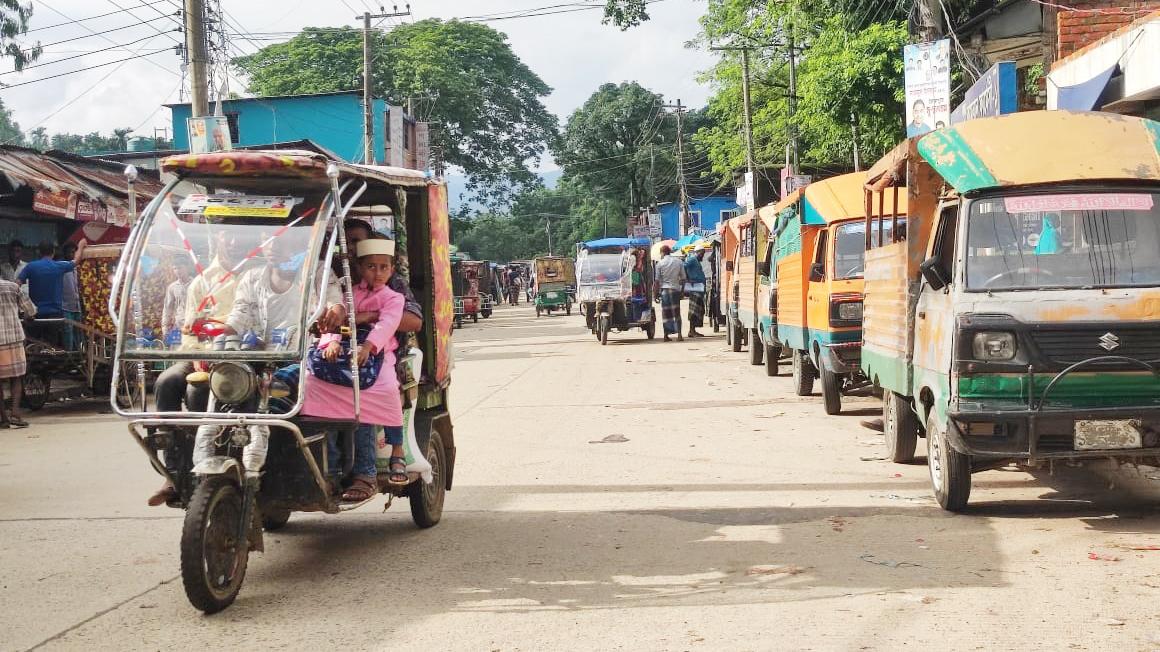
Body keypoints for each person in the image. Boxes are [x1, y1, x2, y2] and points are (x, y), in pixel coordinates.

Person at [148, 228, 251, 506]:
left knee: (198, 392)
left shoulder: (254, 276)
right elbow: (188, 333)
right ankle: (172, 473)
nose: (232, 241)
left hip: (237, 358)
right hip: (201, 355)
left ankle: (206, 468)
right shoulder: (201, 283)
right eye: (226, 234)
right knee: (166, 382)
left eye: (237, 236)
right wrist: (197, 359)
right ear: (217, 239)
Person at [304, 236, 407, 502]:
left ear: (392, 269)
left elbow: (387, 325)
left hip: (378, 357)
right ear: (360, 268)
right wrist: (332, 342)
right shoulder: (347, 292)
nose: (378, 272)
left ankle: (369, 471)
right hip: (343, 355)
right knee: (311, 385)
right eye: (371, 267)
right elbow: (335, 323)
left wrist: (367, 346)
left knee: (381, 390)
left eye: (384, 267)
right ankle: (329, 471)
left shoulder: (393, 297)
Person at [0, 276, 36, 428]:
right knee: (17, 378)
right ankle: (15, 414)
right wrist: (27, 318)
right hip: (14, 338)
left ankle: (3, 419)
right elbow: (31, 311)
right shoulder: (13, 287)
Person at [19, 240, 86, 319]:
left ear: (39, 252)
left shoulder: (30, 266)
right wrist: (81, 246)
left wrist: (25, 307)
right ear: (53, 252)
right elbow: (76, 261)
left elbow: (16, 285)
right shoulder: (59, 266)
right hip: (56, 315)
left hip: (36, 314)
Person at [653, 244, 686, 342]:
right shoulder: (679, 262)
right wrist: (682, 291)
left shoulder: (660, 264)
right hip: (675, 290)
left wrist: (655, 294)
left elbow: (657, 281)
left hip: (665, 292)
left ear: (663, 253)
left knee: (666, 314)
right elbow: (683, 279)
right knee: (677, 313)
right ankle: (679, 335)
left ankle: (666, 335)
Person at [59, 242, 81, 350]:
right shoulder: (61, 266)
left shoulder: (78, 268)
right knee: (68, 332)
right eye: (70, 252)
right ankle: (69, 355)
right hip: (66, 306)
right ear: (65, 253)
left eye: (74, 252)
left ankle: (81, 354)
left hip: (78, 306)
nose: (72, 254)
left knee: (79, 333)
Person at [683, 246, 708, 338]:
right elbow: (683, 266)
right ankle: (691, 331)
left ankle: (693, 330)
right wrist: (688, 278)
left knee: (698, 310)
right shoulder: (692, 259)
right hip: (695, 289)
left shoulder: (696, 261)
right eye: (702, 254)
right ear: (698, 252)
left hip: (699, 288)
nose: (703, 256)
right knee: (694, 311)